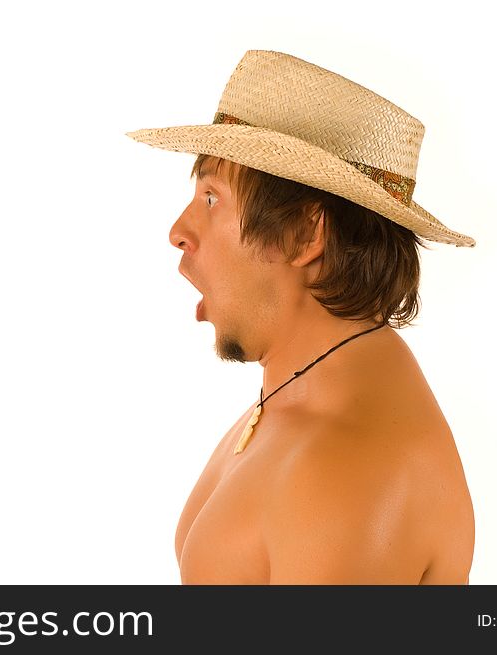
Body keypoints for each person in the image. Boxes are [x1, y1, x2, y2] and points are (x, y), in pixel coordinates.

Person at [126, 50, 475, 584]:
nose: (180, 229)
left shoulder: (343, 467)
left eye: (213, 198)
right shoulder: (295, 397)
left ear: (305, 235)